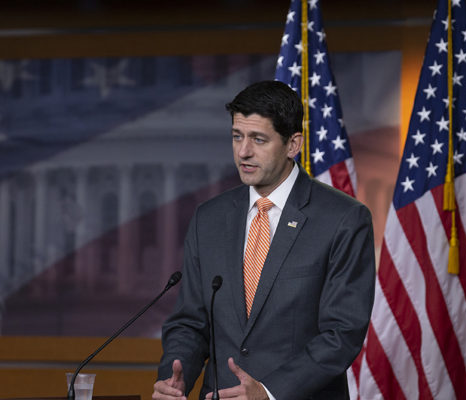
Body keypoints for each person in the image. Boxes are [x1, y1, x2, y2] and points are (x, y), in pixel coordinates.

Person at [152, 80, 375, 400]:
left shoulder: (343, 220)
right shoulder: (208, 218)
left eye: (258, 139)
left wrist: (269, 392)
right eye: (237, 137)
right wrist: (176, 378)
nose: (243, 151)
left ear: (293, 144)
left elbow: (342, 334)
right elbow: (190, 322)